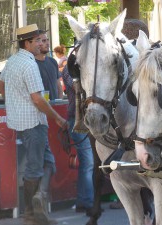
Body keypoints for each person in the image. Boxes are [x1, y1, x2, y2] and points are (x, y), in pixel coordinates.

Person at [0, 24, 67, 225]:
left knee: (47, 164)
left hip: (24, 122)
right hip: (34, 123)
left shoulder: (13, 60)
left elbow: (2, 83)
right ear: (27, 43)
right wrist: (57, 117)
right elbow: (37, 99)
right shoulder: (29, 64)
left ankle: (38, 205)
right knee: (35, 169)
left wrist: (11, 100)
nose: (41, 43)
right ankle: (31, 214)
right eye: (37, 40)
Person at [61, 54, 94, 216]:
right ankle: (87, 202)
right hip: (77, 119)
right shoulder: (69, 68)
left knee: (88, 162)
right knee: (88, 161)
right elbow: (77, 88)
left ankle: (83, 201)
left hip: (89, 118)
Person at [36, 30, 63, 100]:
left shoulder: (53, 61)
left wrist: (59, 101)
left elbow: (59, 85)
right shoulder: (31, 64)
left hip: (55, 107)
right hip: (39, 108)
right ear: (37, 43)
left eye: (47, 40)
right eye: (44, 41)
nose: (47, 43)